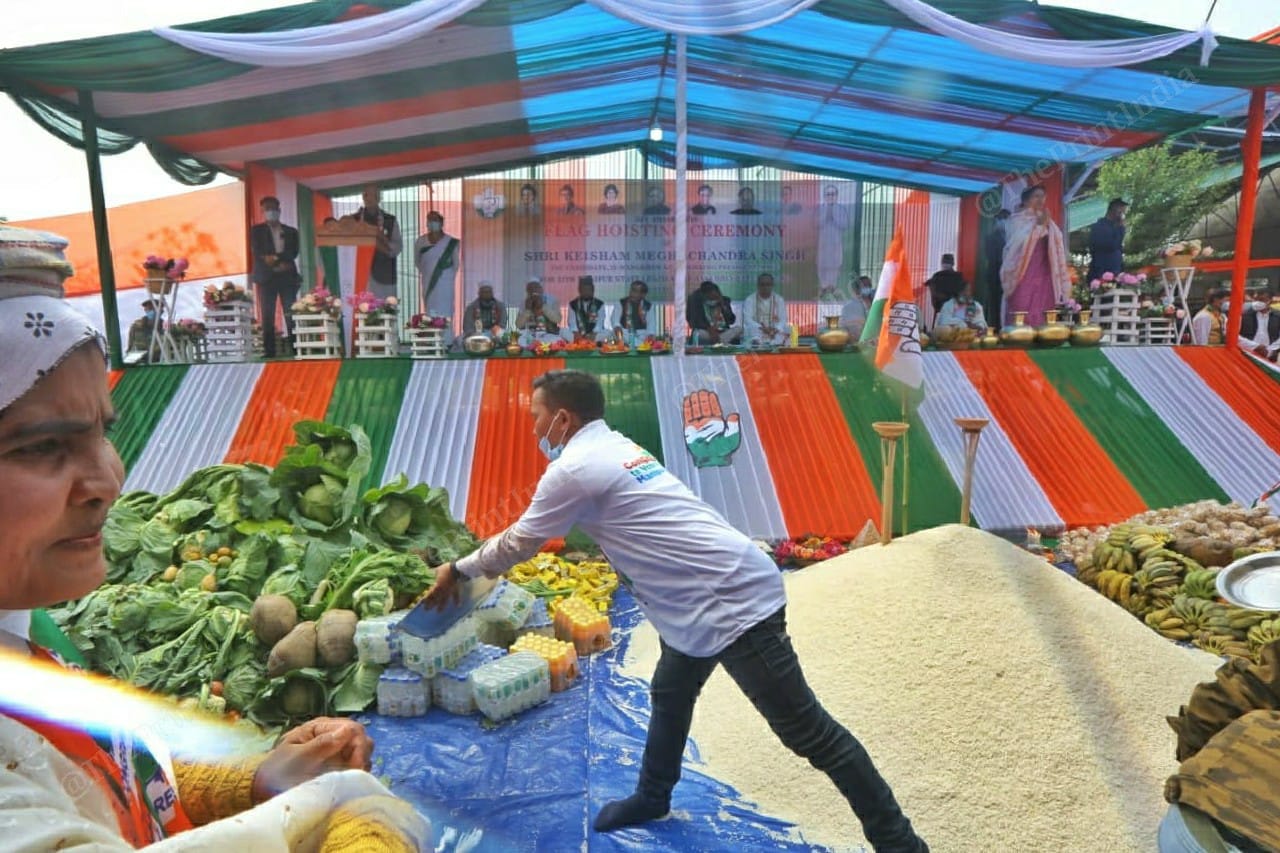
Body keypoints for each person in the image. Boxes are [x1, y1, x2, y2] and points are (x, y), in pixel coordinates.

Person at [0, 224, 430, 851]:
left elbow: (97, 777)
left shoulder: (25, 631)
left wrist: (255, 781)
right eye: (42, 446)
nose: (109, 480)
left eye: (102, 432)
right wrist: (355, 821)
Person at [424, 370, 927, 852]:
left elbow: (520, 541)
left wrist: (459, 569)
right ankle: (653, 795)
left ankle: (900, 844)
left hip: (730, 602)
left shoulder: (575, 469)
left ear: (563, 419)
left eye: (536, 415)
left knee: (810, 734)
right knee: (670, 691)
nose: (533, 427)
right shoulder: (615, 446)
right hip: (696, 605)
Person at [1000, 185, 1071, 326]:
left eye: (1042, 196)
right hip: (1022, 272)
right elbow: (1016, 244)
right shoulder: (1016, 220)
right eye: (1036, 196)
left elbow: (1056, 241)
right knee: (1021, 305)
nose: (1040, 200)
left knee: (1044, 308)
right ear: (1026, 200)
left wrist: (1044, 225)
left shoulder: (1048, 221)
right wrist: (1039, 226)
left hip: (1044, 272)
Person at [249, 195, 301, 358]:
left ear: (279, 210)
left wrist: (277, 259)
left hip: (287, 277)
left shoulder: (291, 231)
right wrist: (274, 262)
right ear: (262, 211)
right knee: (267, 314)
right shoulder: (256, 231)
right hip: (266, 278)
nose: (271, 212)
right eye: (267, 209)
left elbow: (293, 252)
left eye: (273, 208)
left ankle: (296, 348)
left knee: (290, 313)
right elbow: (258, 252)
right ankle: (269, 351)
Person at [345, 184, 403, 300]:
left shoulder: (390, 220)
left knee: (385, 309)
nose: (370, 198)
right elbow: (346, 248)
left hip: (384, 275)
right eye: (367, 195)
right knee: (360, 308)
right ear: (363, 197)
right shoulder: (352, 220)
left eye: (374, 195)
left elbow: (398, 247)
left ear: (379, 198)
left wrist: (382, 242)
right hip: (359, 274)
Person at [412, 210, 460, 344]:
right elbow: (417, 261)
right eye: (430, 220)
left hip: (445, 283)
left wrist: (444, 275)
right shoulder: (421, 241)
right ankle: (432, 341)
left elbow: (456, 264)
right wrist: (429, 272)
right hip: (428, 282)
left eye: (435, 220)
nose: (432, 223)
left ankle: (447, 341)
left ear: (441, 223)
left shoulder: (451, 242)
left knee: (446, 310)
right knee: (431, 310)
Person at [816, 184, 850, 300]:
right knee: (822, 265)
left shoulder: (841, 209)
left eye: (833, 194)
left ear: (836, 196)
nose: (830, 196)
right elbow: (815, 224)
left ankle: (832, 288)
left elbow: (845, 224)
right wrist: (826, 215)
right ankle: (823, 287)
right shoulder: (820, 209)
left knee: (835, 265)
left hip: (835, 243)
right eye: (828, 194)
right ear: (824, 196)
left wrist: (834, 216)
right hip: (822, 243)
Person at [738, 272, 788, 347]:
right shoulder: (750, 300)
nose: (765, 287)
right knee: (751, 330)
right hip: (757, 330)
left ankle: (777, 345)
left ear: (772, 285)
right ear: (758, 285)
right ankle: (757, 346)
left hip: (774, 331)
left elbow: (783, 319)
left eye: (768, 284)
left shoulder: (779, 300)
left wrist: (776, 329)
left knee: (786, 330)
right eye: (762, 284)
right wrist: (762, 328)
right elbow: (747, 320)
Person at [686, 280, 740, 345]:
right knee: (699, 333)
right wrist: (709, 329)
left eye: (715, 297)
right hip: (706, 333)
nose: (714, 300)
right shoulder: (697, 303)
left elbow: (731, 321)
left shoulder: (724, 301)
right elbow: (692, 323)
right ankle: (721, 342)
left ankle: (719, 341)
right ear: (704, 296)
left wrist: (723, 306)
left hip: (722, 333)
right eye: (711, 298)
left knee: (739, 329)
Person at [1087, 198, 1128, 282]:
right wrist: (1121, 228)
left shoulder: (1115, 227)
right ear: (1113, 210)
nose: (1122, 215)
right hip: (1102, 271)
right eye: (1121, 212)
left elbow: (1118, 247)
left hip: (1116, 271)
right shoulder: (1100, 226)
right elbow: (1112, 245)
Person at [982, 209, 1010, 323]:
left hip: (1009, 277)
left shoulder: (1011, 236)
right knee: (995, 306)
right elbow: (992, 258)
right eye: (1003, 220)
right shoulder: (991, 238)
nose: (1005, 223)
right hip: (995, 277)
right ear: (998, 221)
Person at [515, 280, 562, 346]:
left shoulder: (551, 300)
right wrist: (527, 310)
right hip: (530, 335)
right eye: (530, 288)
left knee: (556, 340)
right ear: (527, 291)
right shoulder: (524, 303)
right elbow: (518, 325)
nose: (533, 290)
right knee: (520, 341)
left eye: (536, 287)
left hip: (548, 334)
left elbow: (558, 320)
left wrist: (543, 306)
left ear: (541, 289)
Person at [925, 254, 967, 323]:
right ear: (953, 264)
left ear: (942, 264)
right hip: (957, 310)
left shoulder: (937, 276)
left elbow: (930, 285)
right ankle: (960, 325)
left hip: (941, 307)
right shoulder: (959, 277)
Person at [1239, 293, 1280, 361]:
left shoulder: (1277, 316)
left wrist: (1270, 350)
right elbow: (1236, 336)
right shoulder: (1244, 315)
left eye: (1263, 300)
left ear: (1270, 301)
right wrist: (1255, 346)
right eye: (1257, 300)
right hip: (1248, 353)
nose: (1259, 303)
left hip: (1270, 355)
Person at [567, 275, 607, 342]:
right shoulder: (573, 304)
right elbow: (572, 322)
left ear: (593, 290)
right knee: (563, 331)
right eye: (584, 290)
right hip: (578, 335)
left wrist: (594, 333)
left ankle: (589, 341)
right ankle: (580, 341)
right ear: (579, 290)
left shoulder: (599, 304)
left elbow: (600, 322)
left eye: (588, 290)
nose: (586, 292)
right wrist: (576, 332)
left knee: (608, 332)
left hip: (594, 335)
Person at [841, 276, 874, 340]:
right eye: (865, 285)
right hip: (857, 340)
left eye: (869, 285)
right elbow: (845, 327)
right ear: (858, 288)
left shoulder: (875, 303)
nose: (868, 288)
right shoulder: (848, 307)